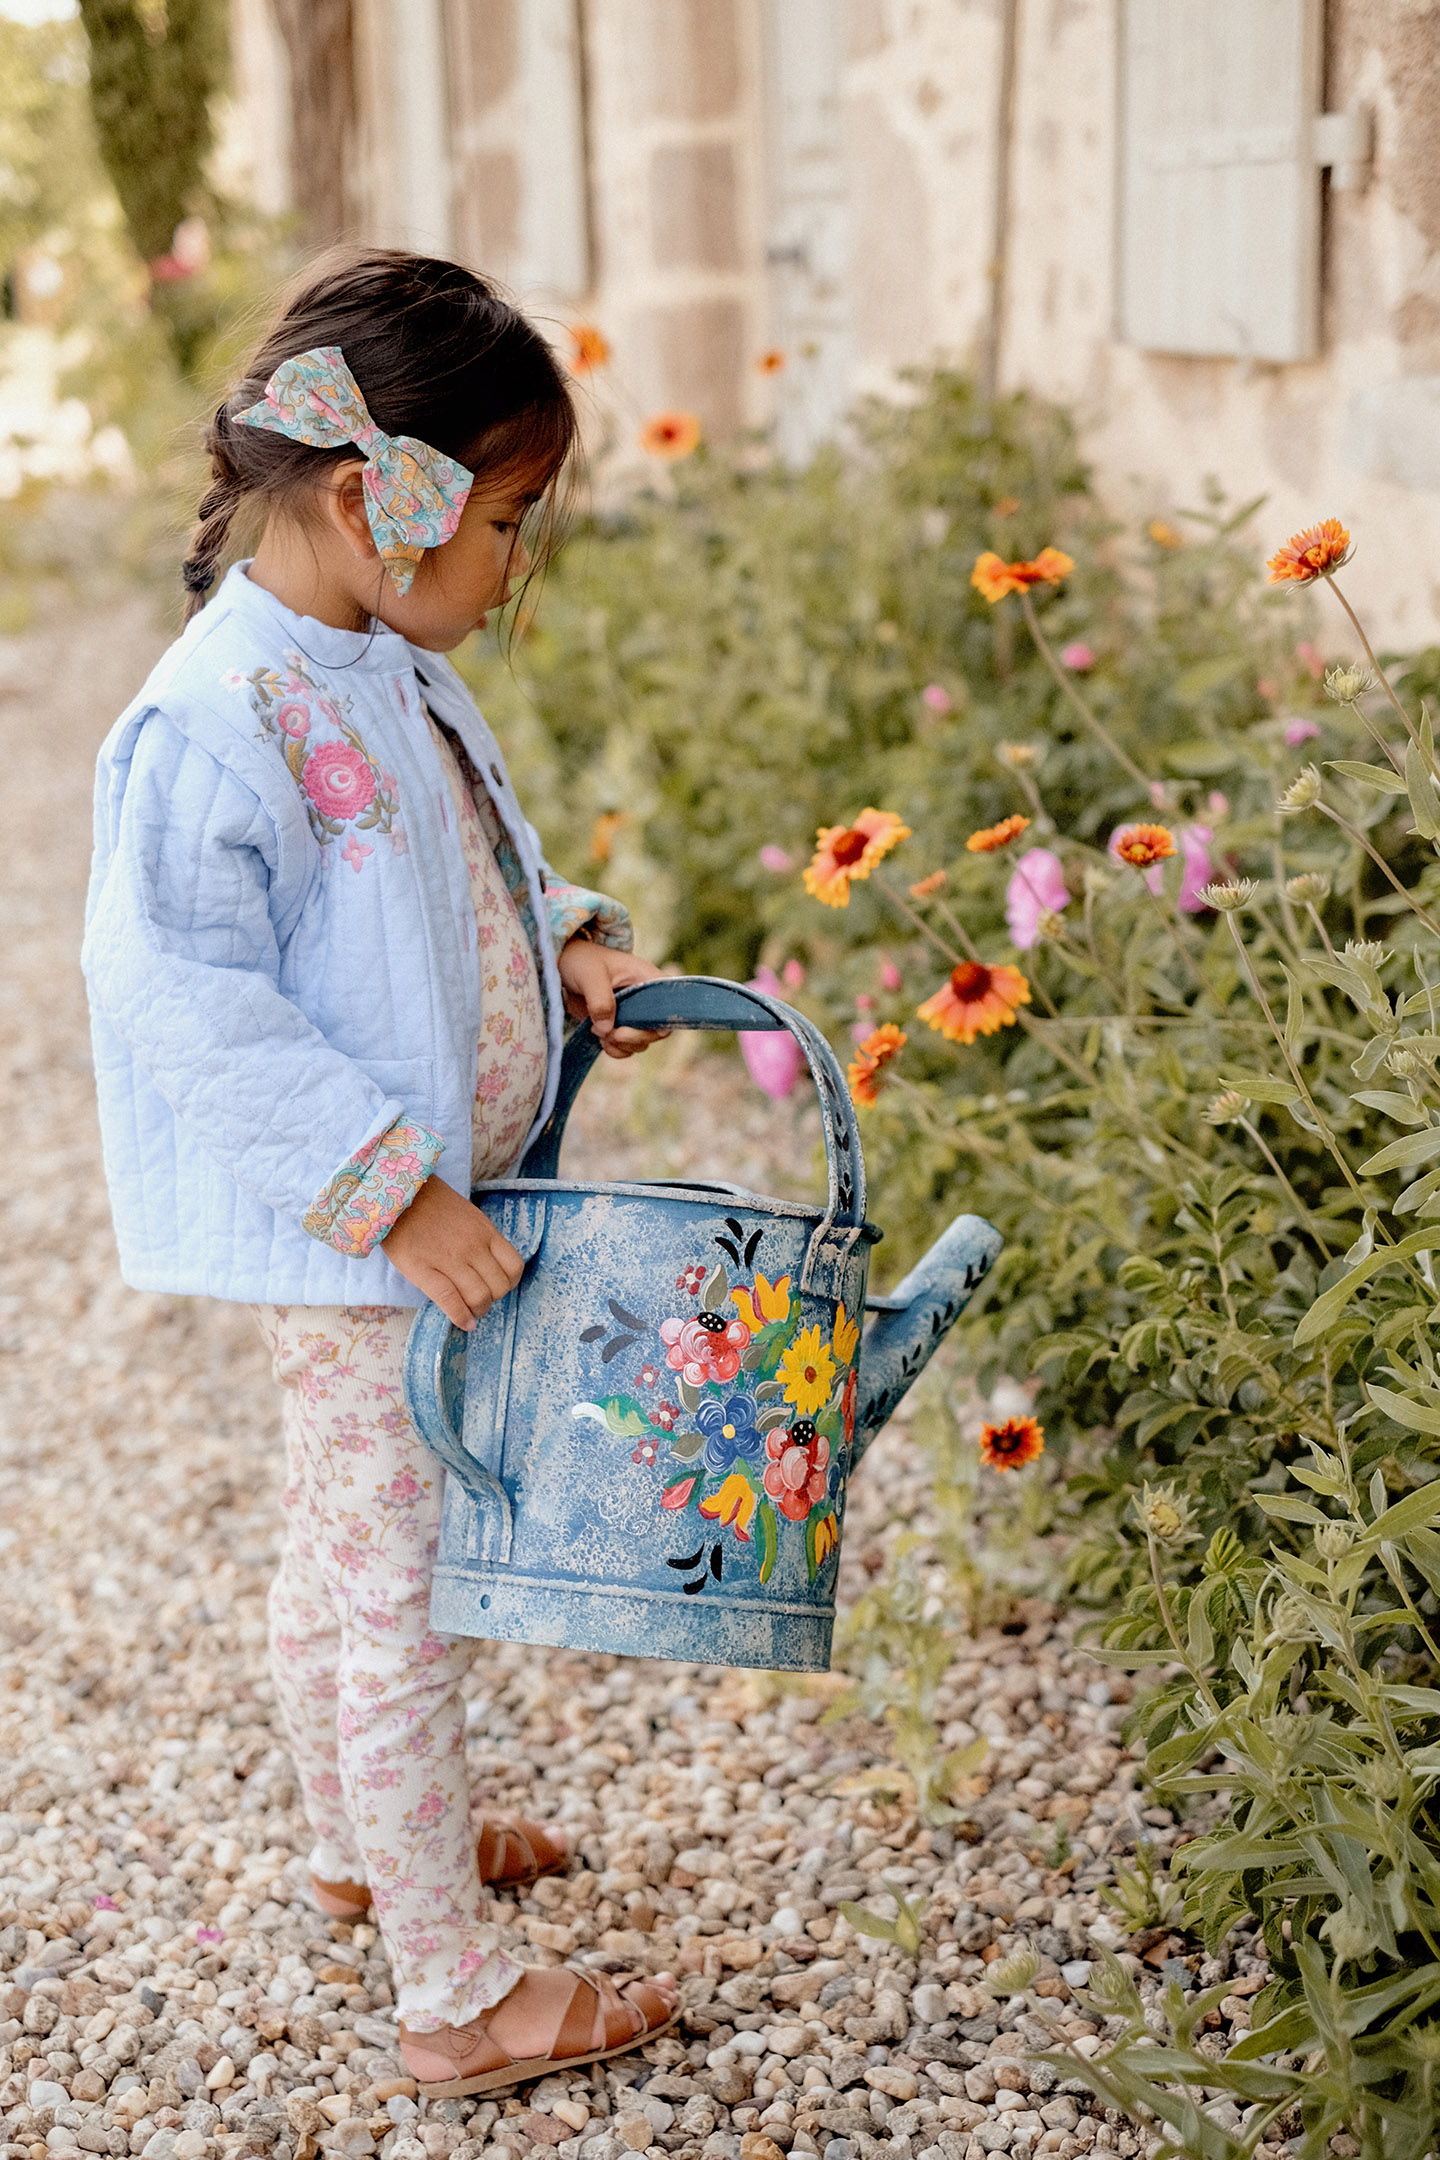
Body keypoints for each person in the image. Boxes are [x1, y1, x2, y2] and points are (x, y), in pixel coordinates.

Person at [82, 248, 678, 2097]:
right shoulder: (218, 719)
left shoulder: (379, 664)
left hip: (412, 1233)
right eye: (505, 521)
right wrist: (392, 1194)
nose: (514, 562)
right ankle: (451, 1989)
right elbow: (181, 996)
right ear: (372, 501)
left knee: (339, 1552)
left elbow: (479, 845)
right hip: (371, 1246)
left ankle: (362, 1842)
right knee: (404, 1597)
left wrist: (567, 938)